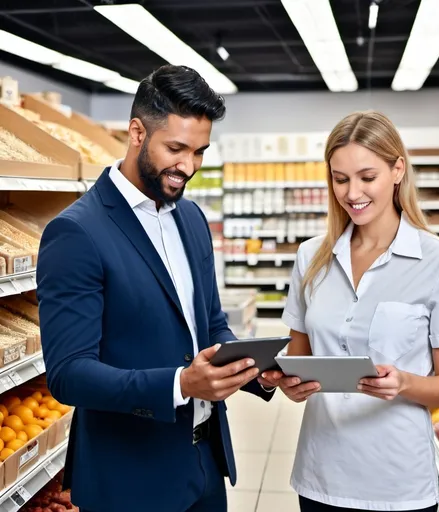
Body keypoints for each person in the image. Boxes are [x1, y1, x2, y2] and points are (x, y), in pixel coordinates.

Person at [37, 64, 276, 512]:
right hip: (131, 479)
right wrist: (181, 384)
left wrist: (251, 364)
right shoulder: (77, 232)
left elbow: (210, 324)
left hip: (204, 466)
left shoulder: (191, 219)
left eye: (200, 152)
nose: (189, 167)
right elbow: (69, 374)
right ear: (136, 132)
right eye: (176, 148)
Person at [259, 111, 439, 511]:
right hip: (320, 474)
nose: (352, 192)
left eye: (366, 177)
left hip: (398, 482)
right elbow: (298, 360)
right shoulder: (311, 258)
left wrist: (404, 383)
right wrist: (286, 383)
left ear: (397, 170)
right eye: (340, 179)